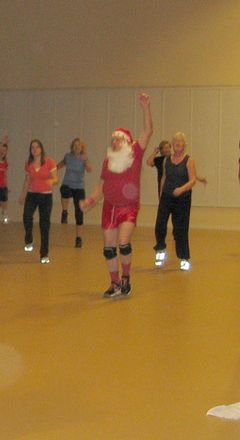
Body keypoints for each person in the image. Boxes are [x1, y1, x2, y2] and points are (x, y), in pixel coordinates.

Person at [80, 93, 153, 298]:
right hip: (109, 208)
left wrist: (146, 107)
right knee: (109, 248)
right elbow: (101, 186)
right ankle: (115, 283)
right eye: (112, 139)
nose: (114, 142)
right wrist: (90, 201)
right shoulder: (108, 160)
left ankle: (126, 278)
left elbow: (148, 131)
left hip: (128, 207)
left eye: (118, 139)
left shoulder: (135, 152)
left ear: (126, 141)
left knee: (123, 242)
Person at [153, 132, 198, 270]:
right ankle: (160, 249)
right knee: (160, 224)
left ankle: (184, 258)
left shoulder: (189, 160)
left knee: (180, 229)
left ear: (184, 145)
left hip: (182, 199)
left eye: (180, 141)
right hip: (167, 197)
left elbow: (193, 180)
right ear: (172, 144)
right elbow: (163, 178)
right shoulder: (166, 160)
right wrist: (161, 195)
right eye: (175, 141)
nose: (178, 143)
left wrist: (181, 189)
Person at [19, 139, 59, 264]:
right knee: (26, 217)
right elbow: (27, 180)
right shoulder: (29, 164)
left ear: (41, 149)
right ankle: (29, 238)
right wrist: (23, 195)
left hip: (46, 196)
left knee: (44, 224)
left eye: (37, 147)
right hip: (32, 194)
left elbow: (56, 178)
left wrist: (51, 181)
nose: (35, 149)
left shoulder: (49, 162)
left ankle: (44, 254)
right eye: (32, 147)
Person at [57, 138, 91, 247]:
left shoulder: (84, 158)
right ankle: (65, 212)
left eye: (79, 145)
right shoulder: (68, 156)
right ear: (72, 147)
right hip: (68, 184)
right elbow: (60, 164)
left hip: (79, 187)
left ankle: (78, 238)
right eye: (75, 145)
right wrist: (52, 169)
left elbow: (89, 169)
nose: (76, 147)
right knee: (63, 190)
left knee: (79, 213)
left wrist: (86, 161)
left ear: (82, 148)